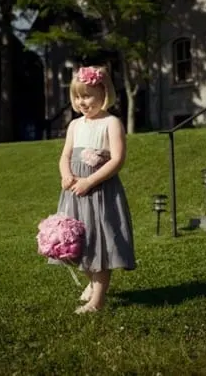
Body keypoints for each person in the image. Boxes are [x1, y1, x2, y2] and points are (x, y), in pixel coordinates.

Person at [52, 65, 136, 314]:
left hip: (100, 193)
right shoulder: (75, 126)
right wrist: (66, 174)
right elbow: (64, 156)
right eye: (78, 97)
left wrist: (90, 181)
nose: (82, 102)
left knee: (100, 242)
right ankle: (92, 283)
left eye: (88, 95)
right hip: (75, 194)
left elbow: (117, 159)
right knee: (78, 242)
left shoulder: (111, 123)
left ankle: (97, 300)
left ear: (104, 93)